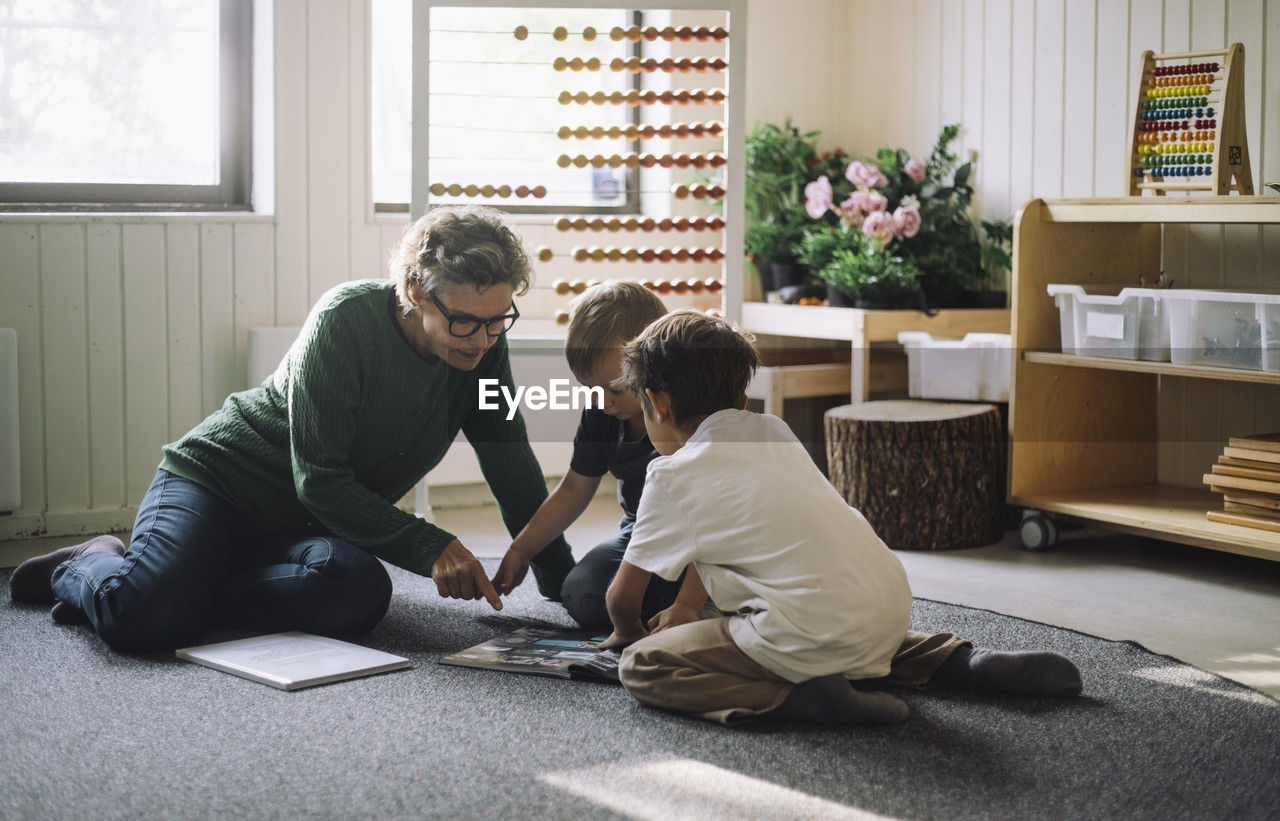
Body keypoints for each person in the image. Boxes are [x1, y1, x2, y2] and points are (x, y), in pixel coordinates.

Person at [8, 205, 574, 651]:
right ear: (416, 293)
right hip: (217, 484)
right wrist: (433, 544)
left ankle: (188, 583)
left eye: (497, 321)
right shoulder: (344, 319)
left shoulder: (482, 351)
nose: (481, 338)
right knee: (142, 621)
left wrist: (563, 584)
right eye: (465, 321)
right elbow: (322, 480)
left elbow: (510, 461)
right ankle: (89, 562)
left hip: (301, 524)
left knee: (358, 592)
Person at [603, 310, 1082, 725]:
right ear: (742, 401)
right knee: (843, 628)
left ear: (658, 403)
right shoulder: (774, 431)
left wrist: (628, 632)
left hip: (802, 632)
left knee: (644, 666)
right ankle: (964, 662)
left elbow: (624, 599)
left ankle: (797, 697)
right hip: (889, 608)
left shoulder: (670, 476)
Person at [491, 281, 684, 628]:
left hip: (698, 538)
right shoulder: (602, 411)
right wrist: (521, 549)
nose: (603, 402)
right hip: (640, 535)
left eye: (616, 389)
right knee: (582, 594)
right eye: (590, 389)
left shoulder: (683, 414)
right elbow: (574, 488)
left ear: (658, 363)